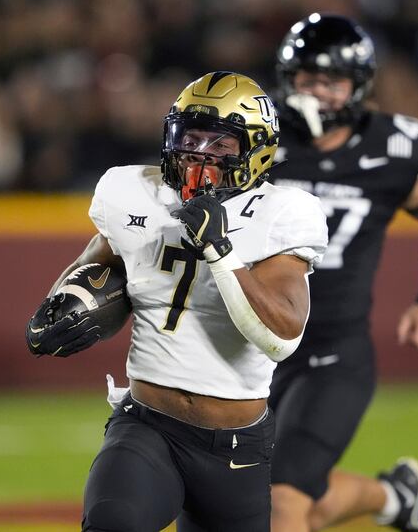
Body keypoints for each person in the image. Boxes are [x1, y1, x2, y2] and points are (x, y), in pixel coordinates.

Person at [25, 71, 328, 532]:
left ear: (257, 150)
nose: (198, 154)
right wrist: (60, 305)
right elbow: (94, 267)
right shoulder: (133, 191)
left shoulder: (284, 212)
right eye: (190, 137)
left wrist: (221, 251)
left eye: (220, 144)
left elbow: (281, 336)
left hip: (235, 447)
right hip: (148, 427)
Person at [268, 13, 418, 532]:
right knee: (245, 495)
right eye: (305, 78)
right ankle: (394, 497)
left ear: (358, 86)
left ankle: (393, 497)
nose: (316, 92)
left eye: (330, 80)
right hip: (253, 346)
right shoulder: (259, 142)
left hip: (332, 355)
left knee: (283, 500)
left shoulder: (392, 146)